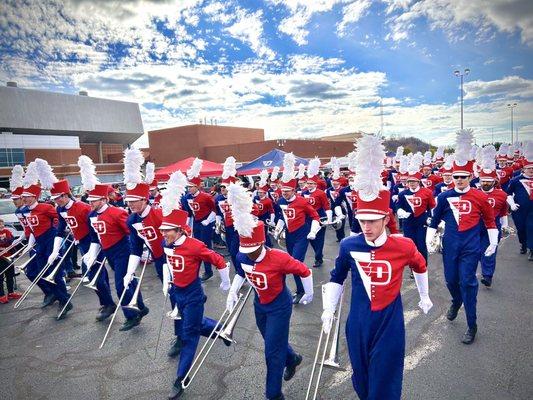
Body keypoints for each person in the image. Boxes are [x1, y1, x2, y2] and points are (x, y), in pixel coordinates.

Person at [321, 134, 432, 400]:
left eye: (372, 220)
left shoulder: (403, 245)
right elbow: (337, 277)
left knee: (385, 382)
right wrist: (328, 309)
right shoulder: (349, 245)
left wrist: (425, 296)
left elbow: (420, 266)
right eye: (361, 220)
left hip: (389, 323)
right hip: (357, 322)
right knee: (362, 380)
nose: (366, 227)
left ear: (385, 217)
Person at [227, 182, 313, 400]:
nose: (250, 254)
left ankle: (273, 395)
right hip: (259, 305)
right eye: (247, 251)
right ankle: (292, 358)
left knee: (272, 353)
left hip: (279, 306)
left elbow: (305, 271)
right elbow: (241, 272)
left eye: (254, 250)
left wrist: (309, 294)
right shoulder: (242, 255)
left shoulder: (279, 257)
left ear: (262, 243)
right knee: (271, 341)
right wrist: (233, 291)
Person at [427, 129, 497, 344]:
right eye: (455, 177)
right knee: (450, 280)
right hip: (450, 246)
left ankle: (471, 324)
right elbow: (434, 219)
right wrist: (429, 239)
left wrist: (493, 241)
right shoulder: (444, 196)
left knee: (468, 282)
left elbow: (489, 221)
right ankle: (456, 301)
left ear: (470, 176)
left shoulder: (479, 197)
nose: (458, 180)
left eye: (462, 177)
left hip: (471, 247)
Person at [160, 207, 231, 400]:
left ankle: (181, 378)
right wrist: (168, 281)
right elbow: (167, 261)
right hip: (177, 292)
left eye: (168, 230)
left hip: (193, 295)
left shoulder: (196, 245)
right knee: (197, 324)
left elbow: (219, 260)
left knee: (189, 334)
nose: (164, 234)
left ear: (180, 229)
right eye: (163, 230)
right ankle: (223, 329)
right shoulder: (166, 242)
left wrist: (226, 283)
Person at [80, 155, 149, 332]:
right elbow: (95, 237)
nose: (90, 204)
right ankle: (140, 306)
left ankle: (131, 317)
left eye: (93, 201)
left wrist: (139, 250)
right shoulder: (91, 216)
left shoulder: (117, 213)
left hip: (123, 251)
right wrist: (90, 253)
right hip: (108, 252)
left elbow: (131, 233)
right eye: (89, 201)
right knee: (128, 282)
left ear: (103, 199)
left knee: (120, 285)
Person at [50, 178, 116, 320]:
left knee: (95, 275)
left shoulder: (83, 208)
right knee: (97, 276)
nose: (56, 201)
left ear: (65, 195)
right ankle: (106, 302)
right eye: (54, 199)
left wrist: (95, 248)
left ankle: (108, 303)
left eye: (58, 198)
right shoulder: (60, 209)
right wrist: (55, 250)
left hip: (94, 242)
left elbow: (96, 229)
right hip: (82, 243)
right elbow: (60, 230)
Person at [274, 153, 320, 304]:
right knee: (293, 262)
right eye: (283, 190)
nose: (285, 193)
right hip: (289, 235)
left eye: (287, 190)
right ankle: (301, 286)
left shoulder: (302, 201)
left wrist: (313, 231)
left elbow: (315, 217)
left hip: (302, 234)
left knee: (295, 262)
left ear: (293, 190)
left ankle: (302, 290)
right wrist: (278, 228)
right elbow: (282, 216)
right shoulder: (280, 200)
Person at [477, 147, 509, 287]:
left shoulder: (502, 195)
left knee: (490, 251)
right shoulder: (474, 193)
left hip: (494, 226)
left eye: (488, 181)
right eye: (483, 181)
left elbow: (503, 212)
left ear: (494, 181)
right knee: (477, 251)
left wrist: (505, 225)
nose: (485, 183)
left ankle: (487, 275)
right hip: (476, 226)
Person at [183, 158, 217, 281]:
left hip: (206, 222)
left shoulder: (206, 197)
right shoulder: (187, 197)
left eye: (191, 187)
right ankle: (212, 262)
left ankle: (209, 270)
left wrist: (208, 221)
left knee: (205, 247)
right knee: (196, 247)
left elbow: (215, 210)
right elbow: (187, 213)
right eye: (188, 187)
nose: (189, 189)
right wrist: (185, 226)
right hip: (196, 223)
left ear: (197, 186)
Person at [505, 141, 533, 260]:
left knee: (531, 227)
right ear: (523, 169)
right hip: (520, 210)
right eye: (529, 168)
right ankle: (523, 243)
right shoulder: (516, 180)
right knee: (521, 228)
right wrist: (511, 204)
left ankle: (532, 249)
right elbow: (508, 193)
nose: (531, 170)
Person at [0, 219, 22, 303]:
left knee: (10, 275)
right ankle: (1, 295)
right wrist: (4, 241)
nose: (2, 226)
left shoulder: (7, 231)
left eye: (2, 225)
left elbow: (11, 241)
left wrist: (16, 252)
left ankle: (11, 292)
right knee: (0, 277)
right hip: (1, 258)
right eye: (0, 225)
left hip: (9, 256)